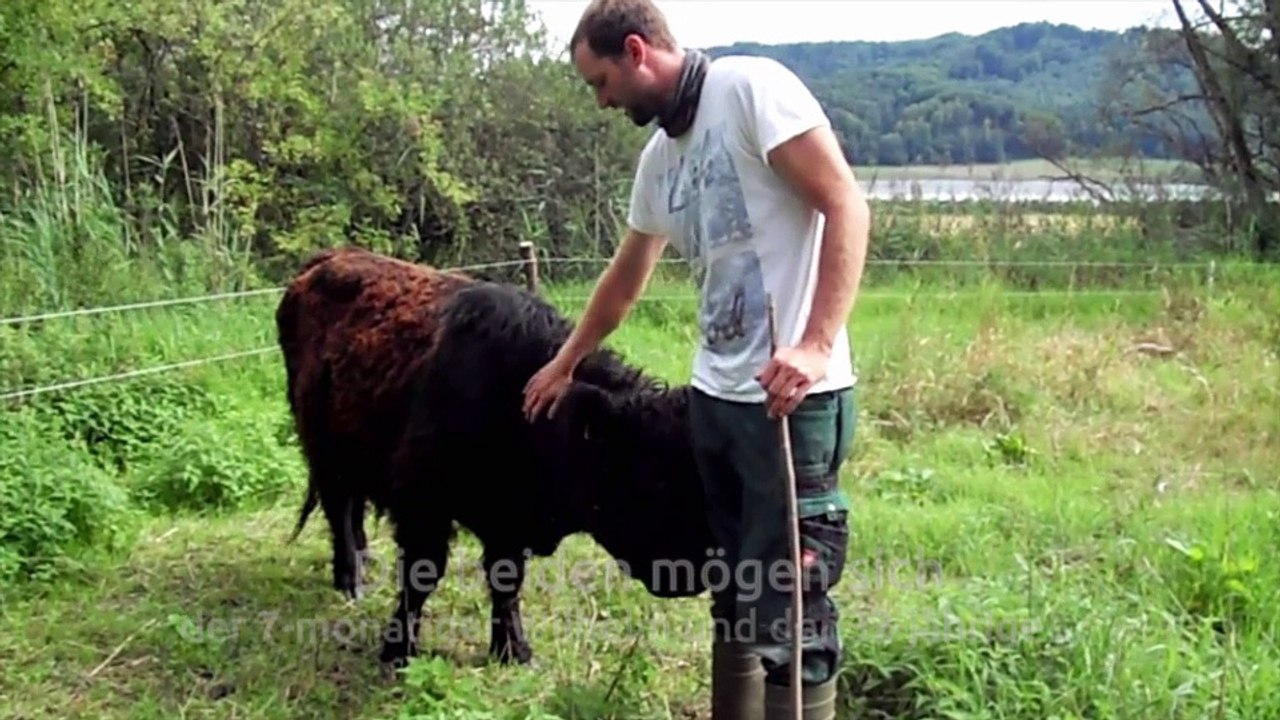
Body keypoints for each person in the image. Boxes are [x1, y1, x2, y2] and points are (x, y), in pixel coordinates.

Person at [522, 1, 871, 718]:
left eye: (600, 82)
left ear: (636, 50)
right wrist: (566, 361)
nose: (601, 102)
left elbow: (845, 203)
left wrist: (814, 344)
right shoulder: (661, 159)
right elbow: (626, 277)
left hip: (790, 401)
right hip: (714, 400)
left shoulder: (751, 91)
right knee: (734, 588)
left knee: (792, 601)